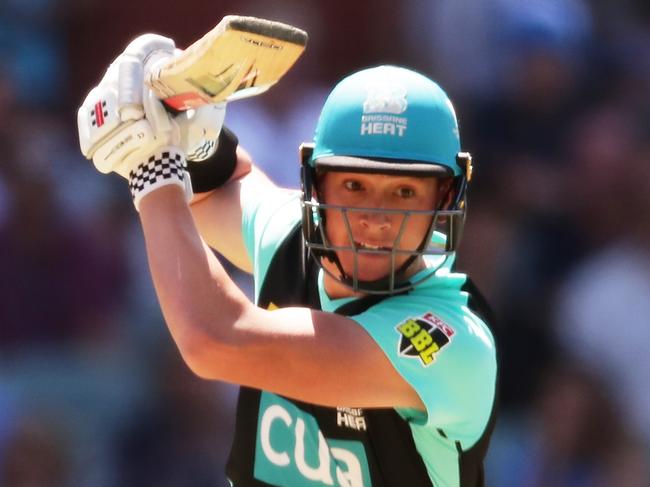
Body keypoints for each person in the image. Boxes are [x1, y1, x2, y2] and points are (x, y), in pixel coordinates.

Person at [77, 34, 498, 487]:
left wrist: (152, 167)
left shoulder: (452, 342)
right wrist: (188, 129)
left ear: (445, 199)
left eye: (404, 192)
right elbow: (225, 185)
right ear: (316, 187)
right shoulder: (291, 243)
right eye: (354, 187)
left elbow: (214, 341)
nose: (376, 220)